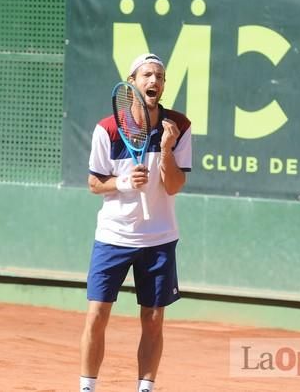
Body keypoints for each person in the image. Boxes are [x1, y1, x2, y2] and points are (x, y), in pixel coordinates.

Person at [80, 53, 192, 392]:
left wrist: (168, 150)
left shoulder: (179, 126)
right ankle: (87, 387)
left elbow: (174, 186)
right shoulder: (108, 129)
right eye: (146, 75)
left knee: (154, 319)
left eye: (159, 76)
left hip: (158, 239)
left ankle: (145, 388)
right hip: (113, 237)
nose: (153, 81)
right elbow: (94, 183)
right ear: (132, 82)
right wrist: (125, 183)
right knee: (97, 313)